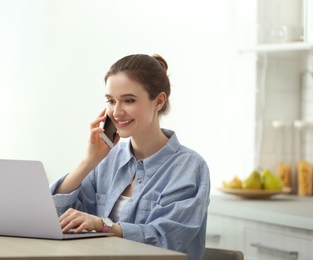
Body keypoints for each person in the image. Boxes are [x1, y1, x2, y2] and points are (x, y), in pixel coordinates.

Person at [51, 54, 210, 260]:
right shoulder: (107, 159)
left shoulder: (189, 167)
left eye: (129, 100)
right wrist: (88, 162)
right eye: (110, 101)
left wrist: (103, 225)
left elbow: (165, 239)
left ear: (159, 101)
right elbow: (58, 219)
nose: (116, 112)